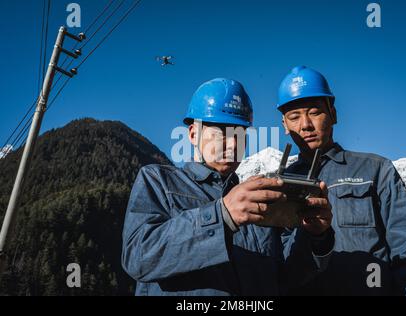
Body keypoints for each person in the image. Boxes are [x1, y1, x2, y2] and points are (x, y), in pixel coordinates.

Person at [122, 78, 334, 295]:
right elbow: (138, 257)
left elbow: (287, 278)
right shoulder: (159, 181)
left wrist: (315, 238)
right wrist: (221, 216)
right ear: (194, 134)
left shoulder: (254, 200)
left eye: (240, 134)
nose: (233, 144)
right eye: (222, 132)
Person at [276, 66, 406, 295]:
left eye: (315, 112)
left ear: (333, 114)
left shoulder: (376, 170)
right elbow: (276, 266)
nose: (305, 124)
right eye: (294, 117)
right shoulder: (278, 186)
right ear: (285, 125)